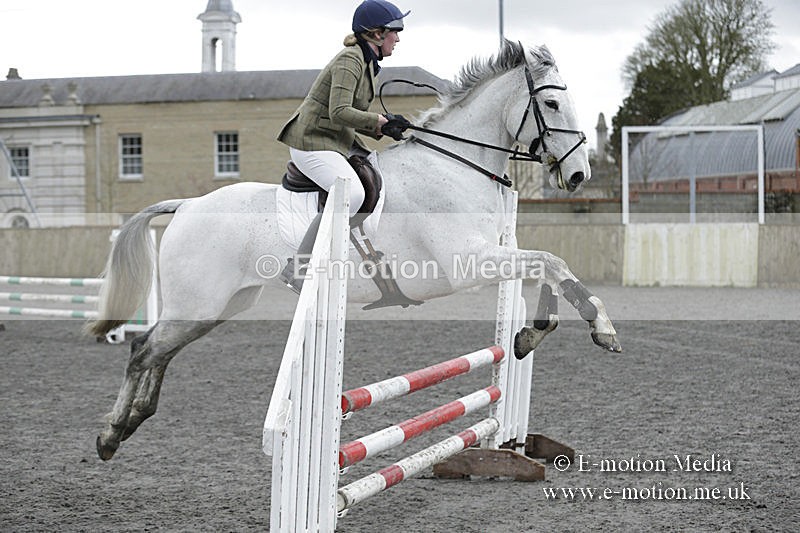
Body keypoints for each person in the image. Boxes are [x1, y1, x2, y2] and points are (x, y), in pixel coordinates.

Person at [277, 0, 412, 293]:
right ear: (376, 34)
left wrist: (385, 126)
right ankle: (299, 268)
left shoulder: (367, 64)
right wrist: (379, 119)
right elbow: (339, 112)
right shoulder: (350, 60)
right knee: (350, 192)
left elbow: (349, 115)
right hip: (311, 141)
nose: (398, 38)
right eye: (395, 31)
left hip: (335, 140)